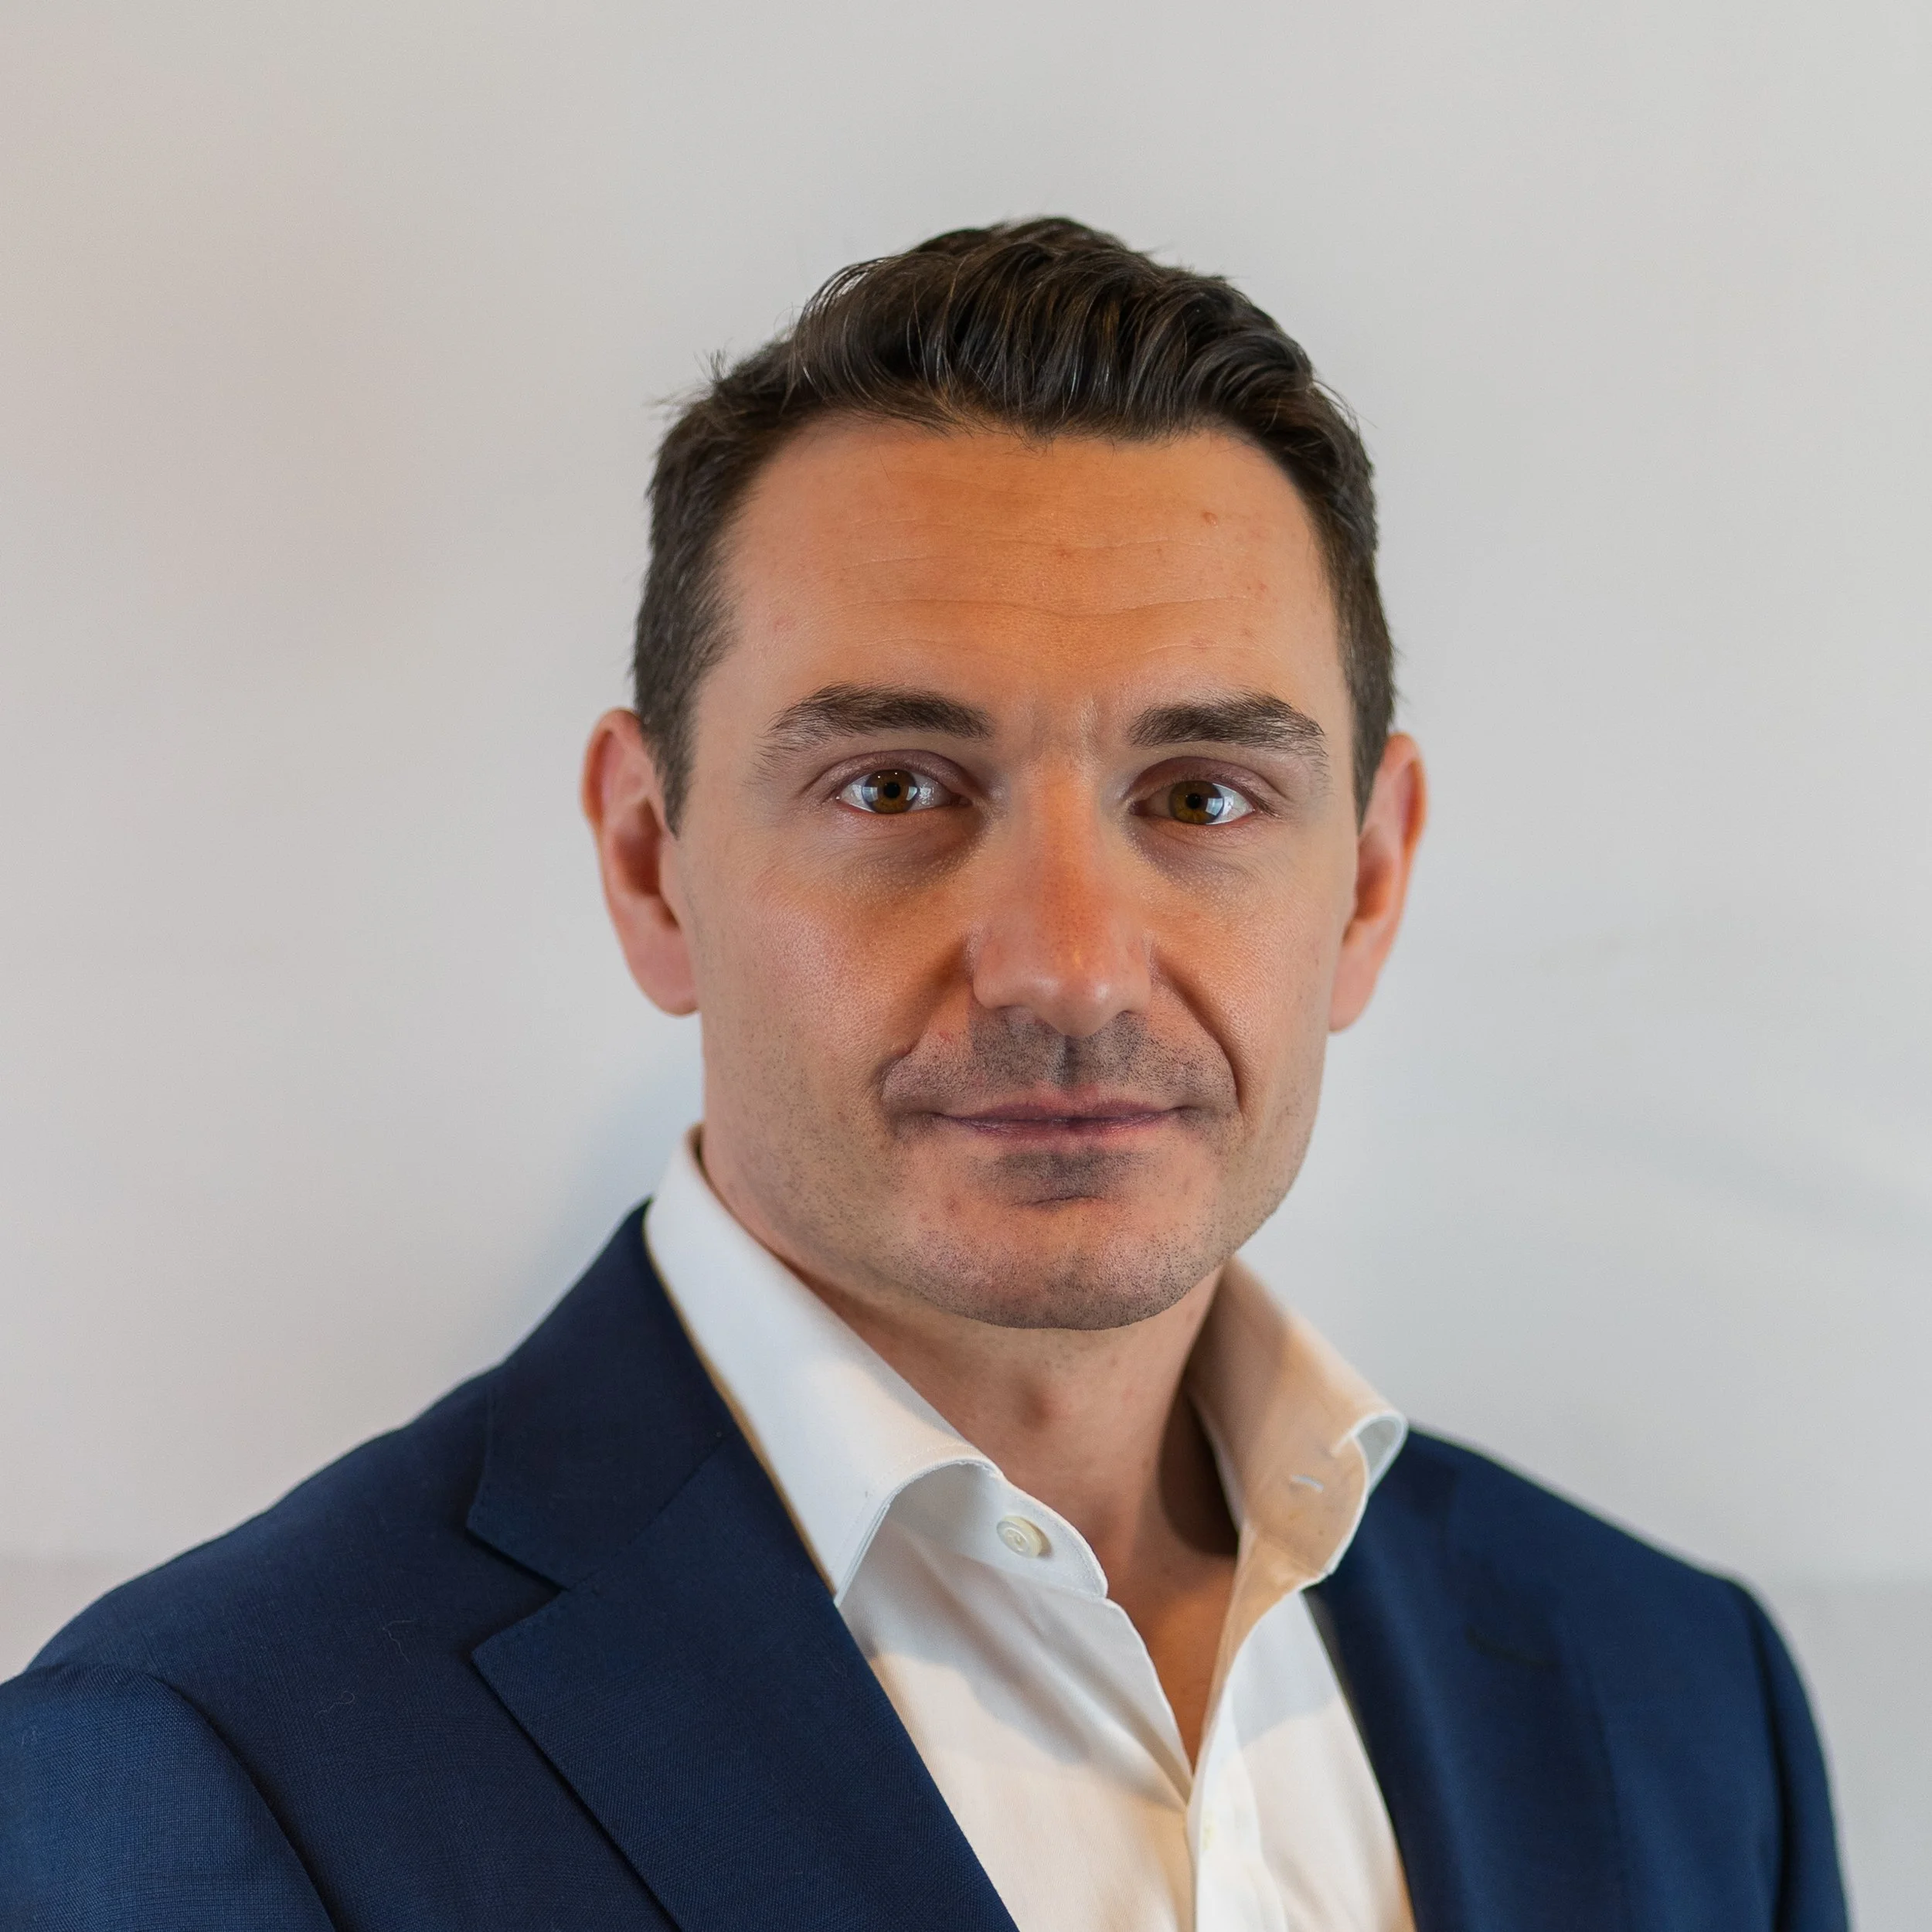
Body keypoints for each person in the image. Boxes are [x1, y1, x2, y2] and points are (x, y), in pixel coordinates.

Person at [0, 219, 1845, 1932]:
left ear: (1364, 881)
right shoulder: (193, 1764)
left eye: (1202, 796)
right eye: (895, 785)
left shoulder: (1677, 1697)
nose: (1064, 958)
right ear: (650, 859)